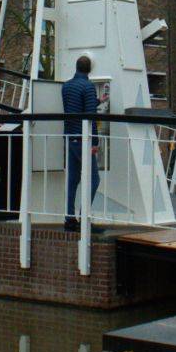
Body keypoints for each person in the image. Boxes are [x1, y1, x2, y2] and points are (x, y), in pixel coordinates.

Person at [62, 55, 99, 230]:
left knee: (73, 179)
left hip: (69, 137)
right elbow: (91, 116)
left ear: (76, 67)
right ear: (89, 69)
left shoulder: (66, 86)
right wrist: (95, 142)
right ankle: (84, 217)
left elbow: (74, 106)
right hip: (83, 139)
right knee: (94, 179)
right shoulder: (89, 87)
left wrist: (97, 100)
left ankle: (69, 218)